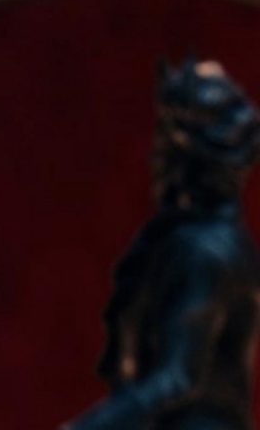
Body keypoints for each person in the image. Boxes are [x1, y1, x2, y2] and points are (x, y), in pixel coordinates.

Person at [63, 59, 260, 430]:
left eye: (167, 141)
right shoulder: (182, 237)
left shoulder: (206, 250)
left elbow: (177, 377)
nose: (156, 154)